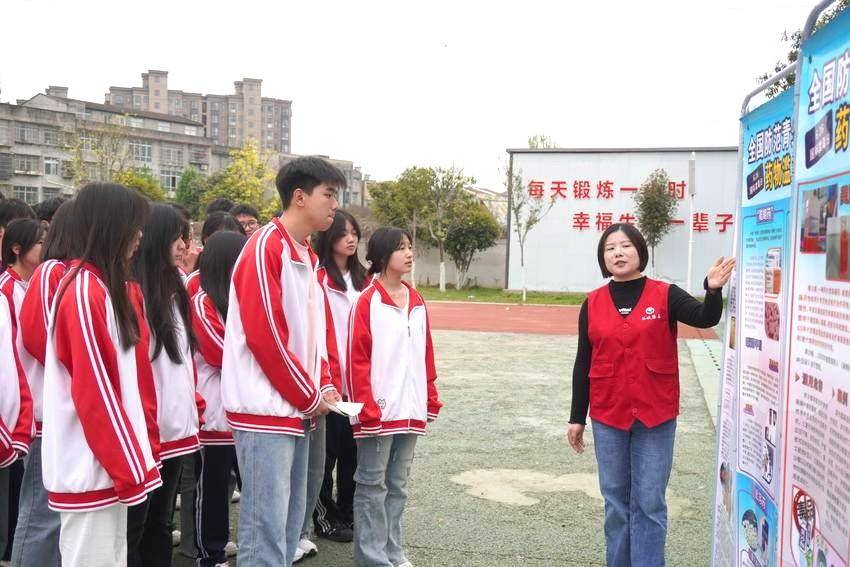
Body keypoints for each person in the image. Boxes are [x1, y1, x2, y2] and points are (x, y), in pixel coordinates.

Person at [566, 223, 734, 567]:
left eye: (625, 245)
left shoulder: (665, 294)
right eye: (610, 248)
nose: (618, 253)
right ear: (603, 257)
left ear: (640, 251)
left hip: (655, 416)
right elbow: (584, 361)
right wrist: (576, 417)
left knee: (649, 502)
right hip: (609, 415)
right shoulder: (592, 303)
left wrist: (712, 289)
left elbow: (705, 317)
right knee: (615, 503)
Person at [220, 156, 344, 566]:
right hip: (265, 409)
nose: (334, 205)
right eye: (329, 195)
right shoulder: (265, 246)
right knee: (265, 530)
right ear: (299, 197)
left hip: (297, 407)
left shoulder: (305, 253)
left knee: (289, 527)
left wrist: (324, 383)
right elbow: (265, 336)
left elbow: (313, 333)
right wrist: (310, 394)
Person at [41, 182, 161, 567]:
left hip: (104, 467)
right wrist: (130, 469)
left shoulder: (98, 286)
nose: (139, 236)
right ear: (111, 226)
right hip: (91, 468)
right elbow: (95, 393)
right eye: (134, 225)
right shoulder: (83, 291)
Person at [348, 227, 442, 567]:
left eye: (410, 247)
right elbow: (356, 359)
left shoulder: (416, 301)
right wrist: (367, 407)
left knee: (398, 485)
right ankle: (371, 558)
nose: (409, 253)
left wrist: (430, 394)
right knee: (372, 485)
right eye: (401, 248)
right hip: (378, 412)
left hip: (410, 409)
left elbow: (425, 353)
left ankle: (392, 551)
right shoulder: (366, 301)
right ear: (383, 255)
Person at [128, 204, 203, 567]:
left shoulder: (177, 289)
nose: (184, 245)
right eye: (177, 237)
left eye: (185, 237)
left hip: (176, 426)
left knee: (160, 521)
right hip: (148, 429)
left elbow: (184, 360)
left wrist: (193, 403)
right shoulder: (133, 293)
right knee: (137, 526)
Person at [296, 210, 369, 562]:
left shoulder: (365, 279)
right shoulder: (319, 277)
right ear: (330, 238)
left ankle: (349, 510)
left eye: (354, 233)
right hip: (330, 381)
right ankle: (324, 517)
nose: (351, 239)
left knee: (354, 452)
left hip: (359, 380)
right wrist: (328, 379)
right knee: (327, 456)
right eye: (343, 233)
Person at [10, 200, 76, 567]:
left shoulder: (64, 271)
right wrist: (74, 371)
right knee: (41, 511)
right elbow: (39, 338)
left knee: (51, 511)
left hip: (53, 406)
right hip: (43, 408)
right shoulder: (52, 271)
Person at [190, 231, 247, 567]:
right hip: (212, 411)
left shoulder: (237, 300)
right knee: (211, 487)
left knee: (233, 483)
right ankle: (209, 553)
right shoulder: (202, 302)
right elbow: (220, 353)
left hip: (238, 409)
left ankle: (221, 541)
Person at [183, 212, 244, 299]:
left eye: (236, 237)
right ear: (206, 240)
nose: (231, 242)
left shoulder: (247, 275)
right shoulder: (194, 282)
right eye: (223, 239)